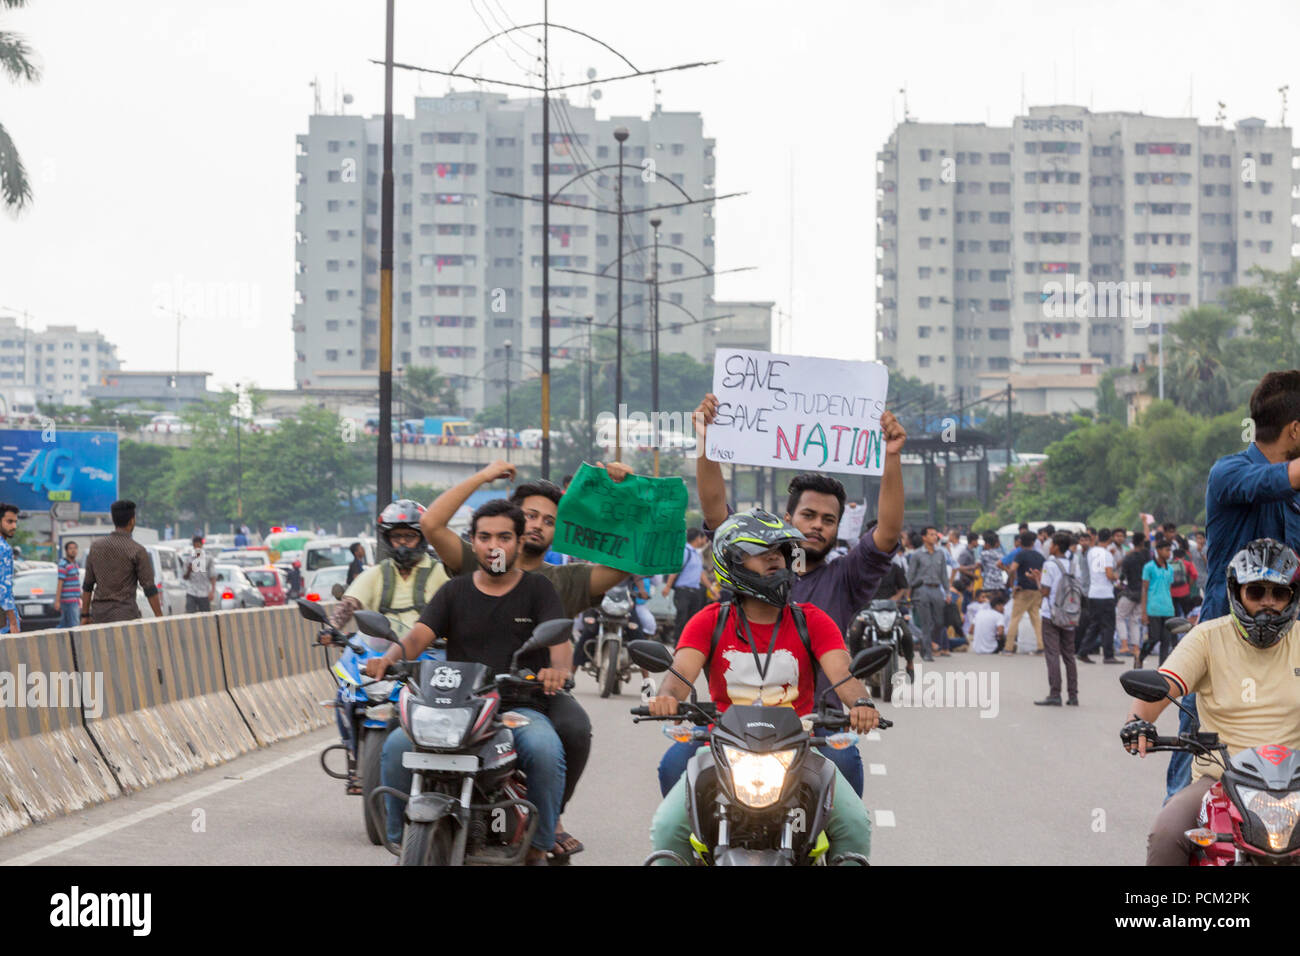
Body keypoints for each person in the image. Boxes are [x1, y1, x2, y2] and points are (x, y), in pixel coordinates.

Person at [692, 393, 907, 799]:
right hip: (735, 728)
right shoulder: (745, 561)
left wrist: (892, 456)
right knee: (680, 784)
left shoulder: (846, 577)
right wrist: (705, 440)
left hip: (816, 729)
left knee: (845, 787)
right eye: (808, 515)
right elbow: (715, 509)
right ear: (788, 519)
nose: (817, 526)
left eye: (829, 520)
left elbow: (889, 532)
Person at [421, 459, 635, 860]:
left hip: (535, 693)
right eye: (530, 515)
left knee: (572, 729)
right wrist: (483, 477)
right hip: (465, 695)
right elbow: (431, 526)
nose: (538, 525)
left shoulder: (569, 579)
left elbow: (630, 560)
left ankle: (550, 817)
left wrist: (618, 495)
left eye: (550, 520)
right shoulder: (477, 561)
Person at [646, 509, 880, 864]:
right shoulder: (708, 620)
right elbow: (679, 675)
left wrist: (861, 703)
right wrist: (666, 698)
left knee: (854, 825)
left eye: (780, 551)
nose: (775, 558)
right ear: (732, 560)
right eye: (761, 550)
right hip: (722, 748)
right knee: (667, 828)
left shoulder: (812, 620)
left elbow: (844, 675)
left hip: (800, 750)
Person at [369, 498, 577, 866]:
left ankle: (539, 844)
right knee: (396, 745)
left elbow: (559, 644)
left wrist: (557, 670)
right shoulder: (454, 591)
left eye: (504, 537)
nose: (493, 545)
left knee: (545, 750)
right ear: (473, 541)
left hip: (516, 709)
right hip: (454, 708)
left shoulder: (538, 590)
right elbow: (418, 637)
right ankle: (403, 840)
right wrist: (389, 658)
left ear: (518, 542)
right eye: (484, 537)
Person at [1122, 539, 1300, 865]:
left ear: (1293, 596)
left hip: (1296, 782)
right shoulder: (1207, 637)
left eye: (1279, 593)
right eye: (1256, 592)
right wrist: (1137, 722)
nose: (1268, 603)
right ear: (1237, 593)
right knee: (1166, 833)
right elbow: (1162, 687)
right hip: (1219, 780)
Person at [1168, 371, 1300, 797]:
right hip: (1221, 647)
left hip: (1287, 649)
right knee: (1194, 775)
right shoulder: (1228, 473)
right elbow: (1271, 482)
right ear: (1295, 430)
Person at [328, 500, 450, 810]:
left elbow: (455, 608)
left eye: (409, 536)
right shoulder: (377, 573)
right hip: (379, 653)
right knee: (344, 695)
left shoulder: (438, 573)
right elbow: (351, 602)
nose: (403, 543)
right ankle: (356, 758)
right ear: (387, 539)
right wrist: (331, 627)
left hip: (428, 656)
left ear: (421, 538)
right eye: (396, 537)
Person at [81, 500, 162, 624]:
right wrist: (160, 617)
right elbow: (149, 588)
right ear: (132, 521)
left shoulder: (95, 547)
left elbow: (87, 586)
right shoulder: (137, 550)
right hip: (126, 617)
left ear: (114, 520)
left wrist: (85, 615)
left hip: (99, 617)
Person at [1034, 532, 1081, 706]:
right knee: (1069, 655)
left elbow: (1045, 592)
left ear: (1055, 546)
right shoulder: (1074, 565)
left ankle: (1055, 693)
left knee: (1053, 654)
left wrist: (1038, 580)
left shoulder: (1050, 564)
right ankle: (1073, 694)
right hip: (1070, 614)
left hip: (1051, 614)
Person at [1077, 527, 1121, 664]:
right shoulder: (1106, 554)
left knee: (1094, 625)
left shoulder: (1092, 552)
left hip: (1093, 593)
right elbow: (1108, 574)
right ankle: (1108, 655)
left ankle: (1083, 651)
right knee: (1108, 626)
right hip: (1105, 594)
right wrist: (1116, 577)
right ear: (1110, 539)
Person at [908, 526, 951, 659]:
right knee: (926, 622)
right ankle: (927, 653)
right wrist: (910, 593)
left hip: (937, 589)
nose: (934, 537)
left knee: (939, 621)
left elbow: (944, 574)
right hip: (922, 590)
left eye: (935, 534)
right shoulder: (916, 555)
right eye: (931, 534)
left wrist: (948, 592)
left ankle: (923, 640)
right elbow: (910, 576)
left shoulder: (941, 553)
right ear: (924, 537)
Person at [664, 528, 708, 645]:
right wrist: (668, 586)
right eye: (703, 538)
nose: (705, 541)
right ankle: (678, 643)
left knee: (693, 620)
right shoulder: (685, 551)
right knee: (681, 618)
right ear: (698, 538)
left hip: (695, 592)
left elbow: (701, 574)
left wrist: (712, 589)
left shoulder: (697, 554)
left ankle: (688, 643)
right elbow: (675, 570)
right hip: (683, 592)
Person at [1004, 530, 1045, 654]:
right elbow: (1043, 574)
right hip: (1036, 591)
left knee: (1015, 618)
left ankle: (1008, 647)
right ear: (1033, 542)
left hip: (1023, 591)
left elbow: (1012, 569)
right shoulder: (1040, 556)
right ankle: (1041, 646)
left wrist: (1012, 584)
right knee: (1036, 620)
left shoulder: (1020, 555)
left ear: (1020, 542)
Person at [1138, 538, 1177, 666]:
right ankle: (1140, 657)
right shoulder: (1149, 567)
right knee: (1153, 638)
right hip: (1153, 608)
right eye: (1166, 550)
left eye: (1170, 550)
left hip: (1167, 608)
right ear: (1158, 551)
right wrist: (1143, 611)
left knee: (1166, 640)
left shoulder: (1170, 569)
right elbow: (1144, 589)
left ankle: (1162, 668)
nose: (1169, 553)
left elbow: (1169, 588)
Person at [1116, 533, 1149, 656]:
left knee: (1120, 617)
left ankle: (1124, 645)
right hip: (1143, 593)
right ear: (1142, 542)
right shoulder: (1147, 556)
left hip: (1130, 592)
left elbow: (1122, 577)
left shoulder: (1128, 558)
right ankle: (1136, 648)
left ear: (1132, 543)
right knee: (1135, 620)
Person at [181, 534, 217, 613]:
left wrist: (212, 592)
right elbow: (184, 577)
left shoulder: (208, 559)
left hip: (204, 592)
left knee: (205, 616)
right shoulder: (188, 559)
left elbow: (212, 576)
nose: (197, 547)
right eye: (195, 546)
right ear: (193, 546)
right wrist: (189, 570)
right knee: (190, 614)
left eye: (199, 545)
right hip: (191, 591)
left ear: (202, 545)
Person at [0, 503, 18, 634]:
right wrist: (13, 621)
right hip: (4, 620)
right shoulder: (4, 548)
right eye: (9, 522)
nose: (14, 526)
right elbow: (4, 588)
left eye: (15, 522)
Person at [55, 540, 82, 629]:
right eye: (70, 548)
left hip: (75, 600)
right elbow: (60, 583)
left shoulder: (75, 564)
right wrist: (57, 601)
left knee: (65, 625)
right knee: (74, 625)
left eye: (75, 548)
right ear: (66, 551)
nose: (73, 550)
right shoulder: (64, 564)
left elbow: (76, 584)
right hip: (68, 601)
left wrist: (80, 598)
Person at [1168, 545, 1198, 617]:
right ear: (1183, 556)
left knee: (1175, 614)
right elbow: (1195, 574)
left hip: (1172, 593)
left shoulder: (1168, 564)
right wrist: (1189, 585)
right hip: (1184, 591)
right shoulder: (1186, 563)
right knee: (1187, 613)